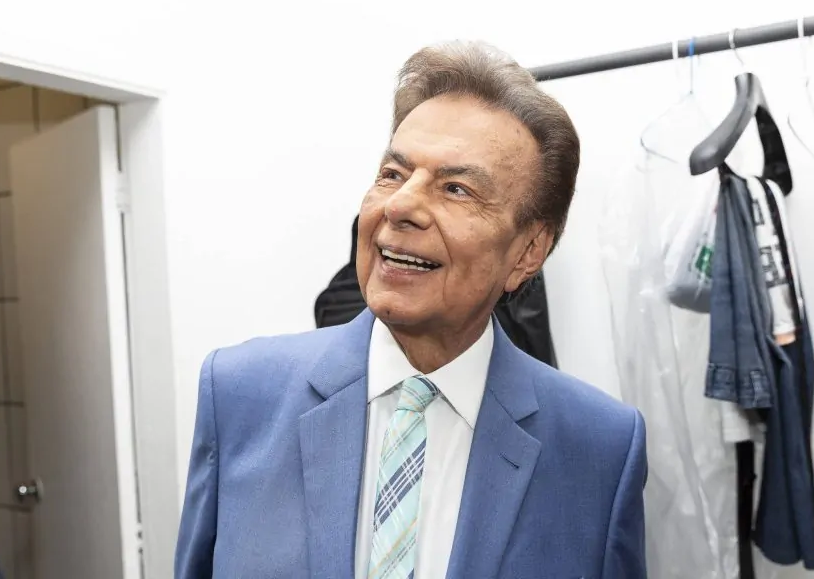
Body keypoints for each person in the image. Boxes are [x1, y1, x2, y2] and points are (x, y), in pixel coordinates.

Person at [175, 41, 647, 579]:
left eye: (456, 188)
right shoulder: (238, 395)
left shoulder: (601, 448)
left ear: (528, 252)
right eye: (392, 174)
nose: (399, 206)